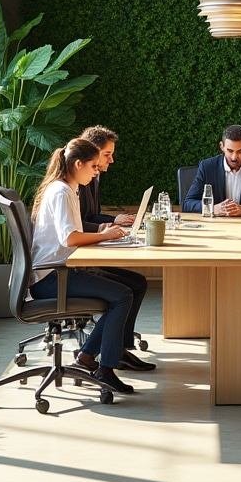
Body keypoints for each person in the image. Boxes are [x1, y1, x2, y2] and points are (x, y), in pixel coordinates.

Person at [29, 138, 139, 395]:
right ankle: (105, 369)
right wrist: (105, 235)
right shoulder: (62, 192)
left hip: (61, 270)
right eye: (93, 167)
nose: (96, 171)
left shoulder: (67, 188)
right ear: (78, 164)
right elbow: (70, 238)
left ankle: (90, 357)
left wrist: (105, 235)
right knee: (122, 296)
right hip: (53, 277)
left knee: (129, 287)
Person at [78, 125, 154, 372]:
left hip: (81, 254)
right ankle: (94, 356)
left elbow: (89, 215)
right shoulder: (75, 184)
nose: (112, 159)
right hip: (74, 262)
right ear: (94, 154)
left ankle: (118, 349)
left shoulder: (92, 177)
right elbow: (77, 225)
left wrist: (113, 221)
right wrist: (109, 225)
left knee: (137, 283)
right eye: (108, 154)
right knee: (124, 293)